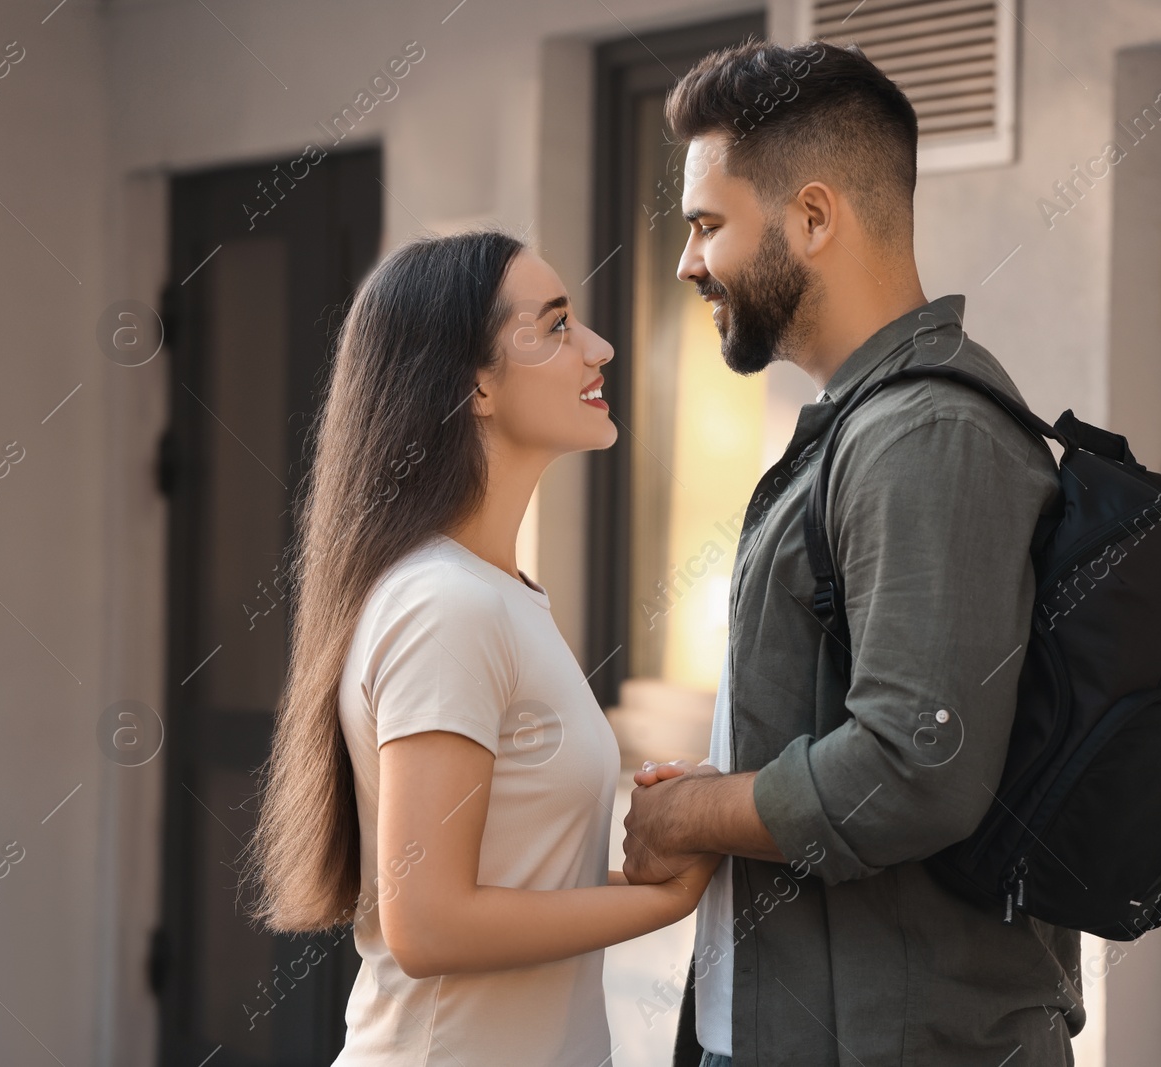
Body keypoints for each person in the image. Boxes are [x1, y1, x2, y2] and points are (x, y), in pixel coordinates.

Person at [622, 40, 1086, 1066]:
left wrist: (693, 812)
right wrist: (736, 780)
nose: (686, 261)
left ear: (814, 217)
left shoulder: (924, 437)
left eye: (706, 224)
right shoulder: (866, 425)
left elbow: (913, 766)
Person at [243, 230, 720, 1066]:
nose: (599, 348)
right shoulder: (446, 604)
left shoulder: (496, 594)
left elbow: (509, 894)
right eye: (558, 325)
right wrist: (664, 903)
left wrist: (650, 876)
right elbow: (428, 922)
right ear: (475, 385)